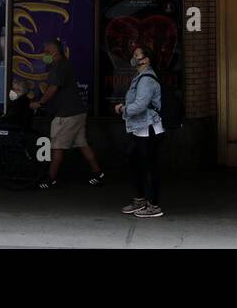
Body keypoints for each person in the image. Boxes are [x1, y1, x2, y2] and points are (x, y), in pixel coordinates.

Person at [32, 38, 104, 189]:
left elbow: (52, 89)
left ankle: (50, 179)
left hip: (66, 114)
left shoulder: (58, 67)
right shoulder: (65, 64)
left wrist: (40, 103)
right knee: (82, 144)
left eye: (45, 52)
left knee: (57, 146)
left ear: (54, 52)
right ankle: (98, 173)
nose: (43, 55)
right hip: (78, 112)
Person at [115, 44, 164, 218]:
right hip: (139, 129)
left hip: (149, 129)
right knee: (133, 161)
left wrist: (123, 109)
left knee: (149, 167)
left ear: (146, 59)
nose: (133, 58)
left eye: (137, 55)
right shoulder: (140, 77)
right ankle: (140, 199)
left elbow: (140, 105)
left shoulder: (147, 79)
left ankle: (154, 205)